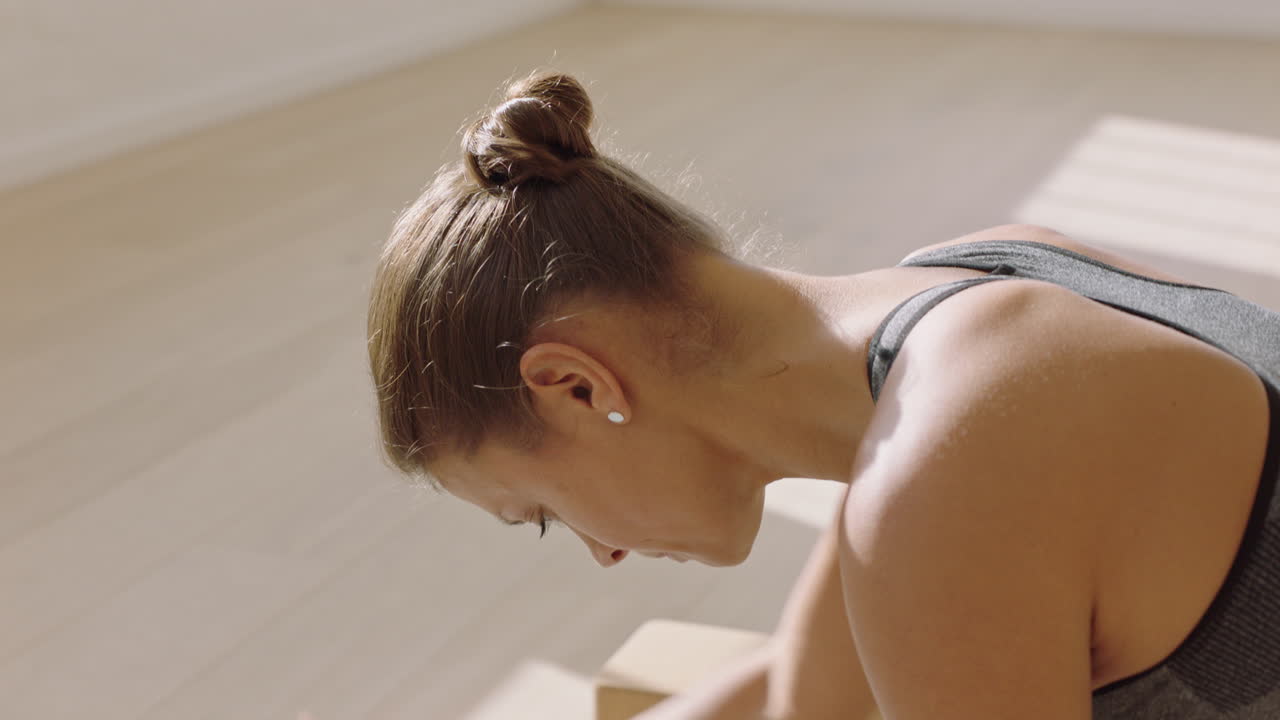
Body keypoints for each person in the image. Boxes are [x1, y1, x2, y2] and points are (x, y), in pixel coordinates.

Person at [365, 69, 1280, 719]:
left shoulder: (948, 488)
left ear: (573, 386)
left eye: (540, 513)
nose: (602, 554)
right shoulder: (981, 290)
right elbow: (805, 698)